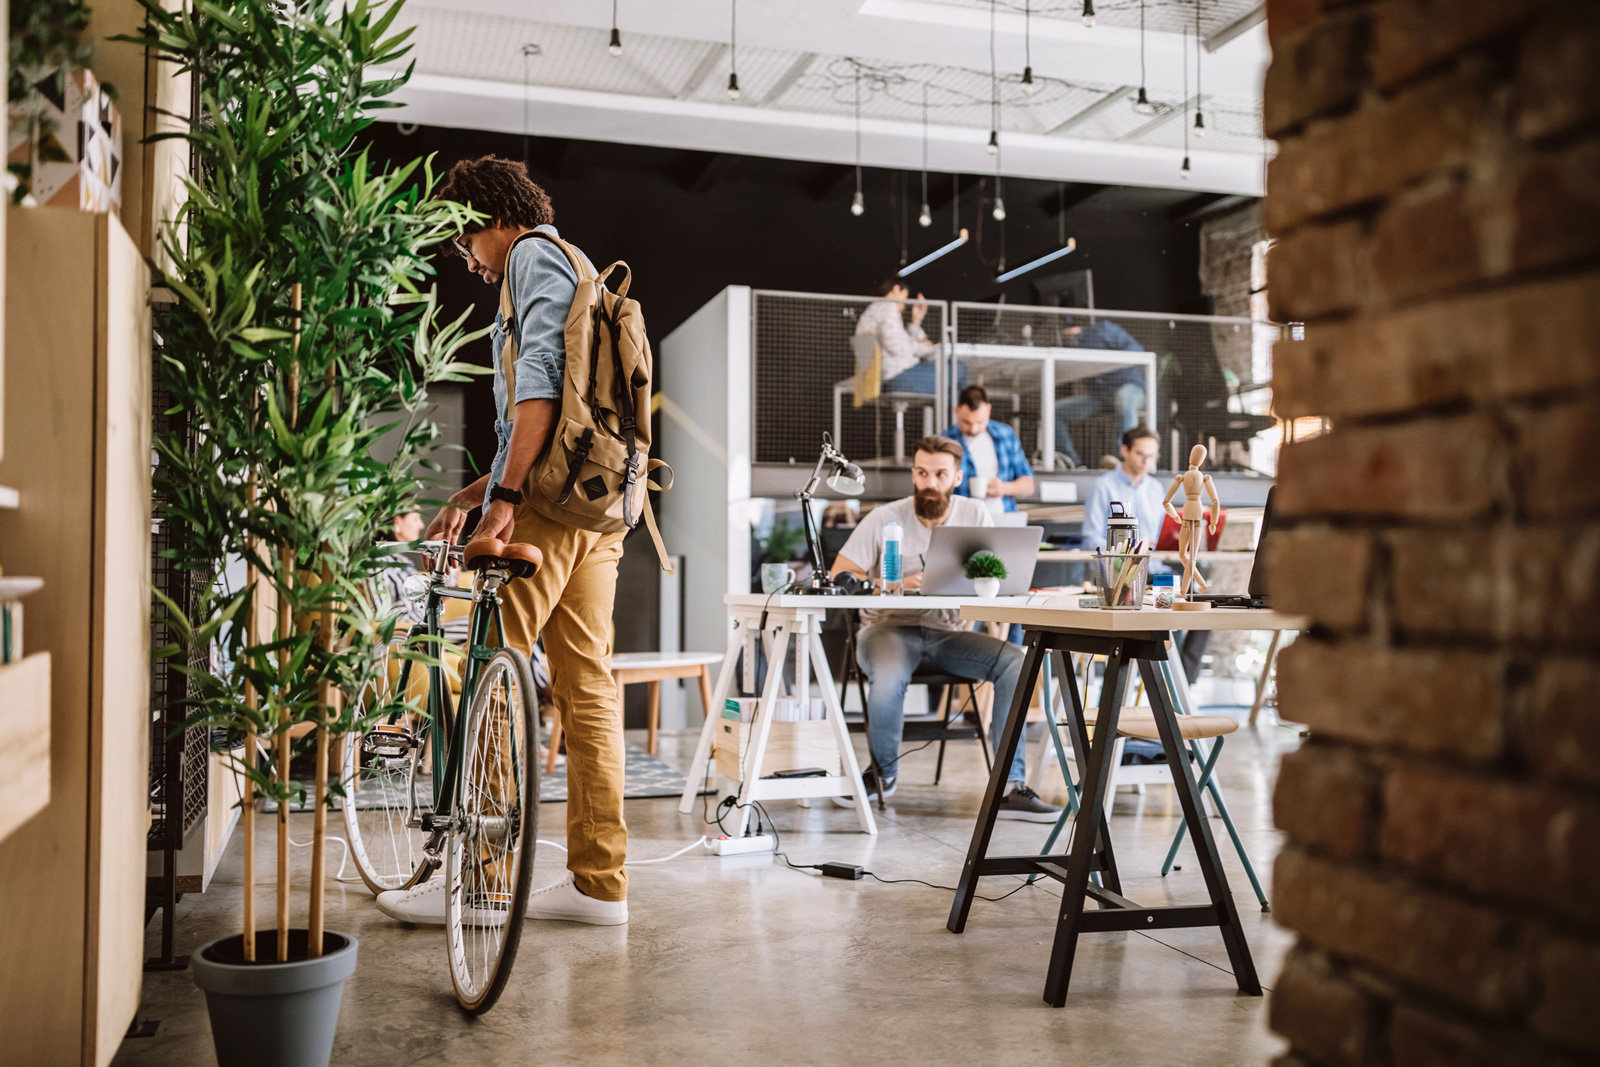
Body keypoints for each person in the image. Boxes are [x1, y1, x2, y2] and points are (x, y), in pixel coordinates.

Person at [378, 154, 628, 928]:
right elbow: (561, 413)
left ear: (488, 216)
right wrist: (475, 493)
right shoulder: (581, 264)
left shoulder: (527, 256)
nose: (468, 261)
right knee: (588, 689)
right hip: (600, 505)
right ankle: (601, 887)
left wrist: (506, 501)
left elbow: (541, 385)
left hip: (547, 506)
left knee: (488, 672)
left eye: (464, 242)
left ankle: (482, 884)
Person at [828, 435, 1061, 820]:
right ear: (913, 474)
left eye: (939, 475)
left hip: (946, 634)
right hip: (886, 631)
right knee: (888, 678)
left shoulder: (974, 514)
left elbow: (995, 577)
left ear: (957, 477)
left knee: (1016, 662)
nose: (930, 483)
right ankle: (883, 775)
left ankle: (1009, 785)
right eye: (922, 473)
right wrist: (888, 583)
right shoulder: (884, 518)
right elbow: (841, 576)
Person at [1051, 316, 1149, 468]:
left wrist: (1107, 363)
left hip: (1129, 387)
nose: (1063, 334)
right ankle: (1070, 462)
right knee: (1054, 411)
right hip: (1102, 396)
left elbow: (1137, 350)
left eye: (1065, 328)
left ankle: (1125, 459)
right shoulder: (1068, 347)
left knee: (1123, 400)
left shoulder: (1104, 330)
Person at [943, 384, 1035, 519]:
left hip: (1003, 519)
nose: (973, 429)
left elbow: (1028, 485)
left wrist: (1003, 488)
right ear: (956, 411)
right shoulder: (945, 441)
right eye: (966, 422)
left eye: (979, 422)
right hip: (963, 521)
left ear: (988, 410)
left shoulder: (1005, 434)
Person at [1082, 426, 1165, 552]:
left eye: (1152, 456)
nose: (1146, 461)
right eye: (1140, 454)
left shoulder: (1156, 488)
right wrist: (1128, 550)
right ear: (1125, 451)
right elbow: (1091, 539)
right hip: (1117, 564)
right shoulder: (1103, 486)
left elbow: (1163, 536)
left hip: (1154, 563)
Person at [855, 278, 938, 395]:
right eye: (905, 298)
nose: (904, 304)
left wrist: (916, 321)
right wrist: (923, 347)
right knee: (955, 370)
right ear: (896, 289)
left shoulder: (874, 310)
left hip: (891, 375)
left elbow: (900, 342)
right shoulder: (888, 307)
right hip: (897, 376)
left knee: (950, 375)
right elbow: (897, 347)